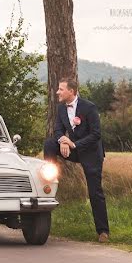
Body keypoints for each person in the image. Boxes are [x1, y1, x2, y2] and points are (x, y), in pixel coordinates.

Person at [43, 77, 111, 242]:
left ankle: (103, 231)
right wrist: (63, 141)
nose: (57, 92)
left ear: (71, 91)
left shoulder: (89, 107)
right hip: (73, 148)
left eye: (61, 89)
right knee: (50, 143)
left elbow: (96, 135)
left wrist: (73, 144)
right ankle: (49, 176)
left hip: (91, 152)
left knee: (95, 192)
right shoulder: (61, 109)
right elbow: (58, 130)